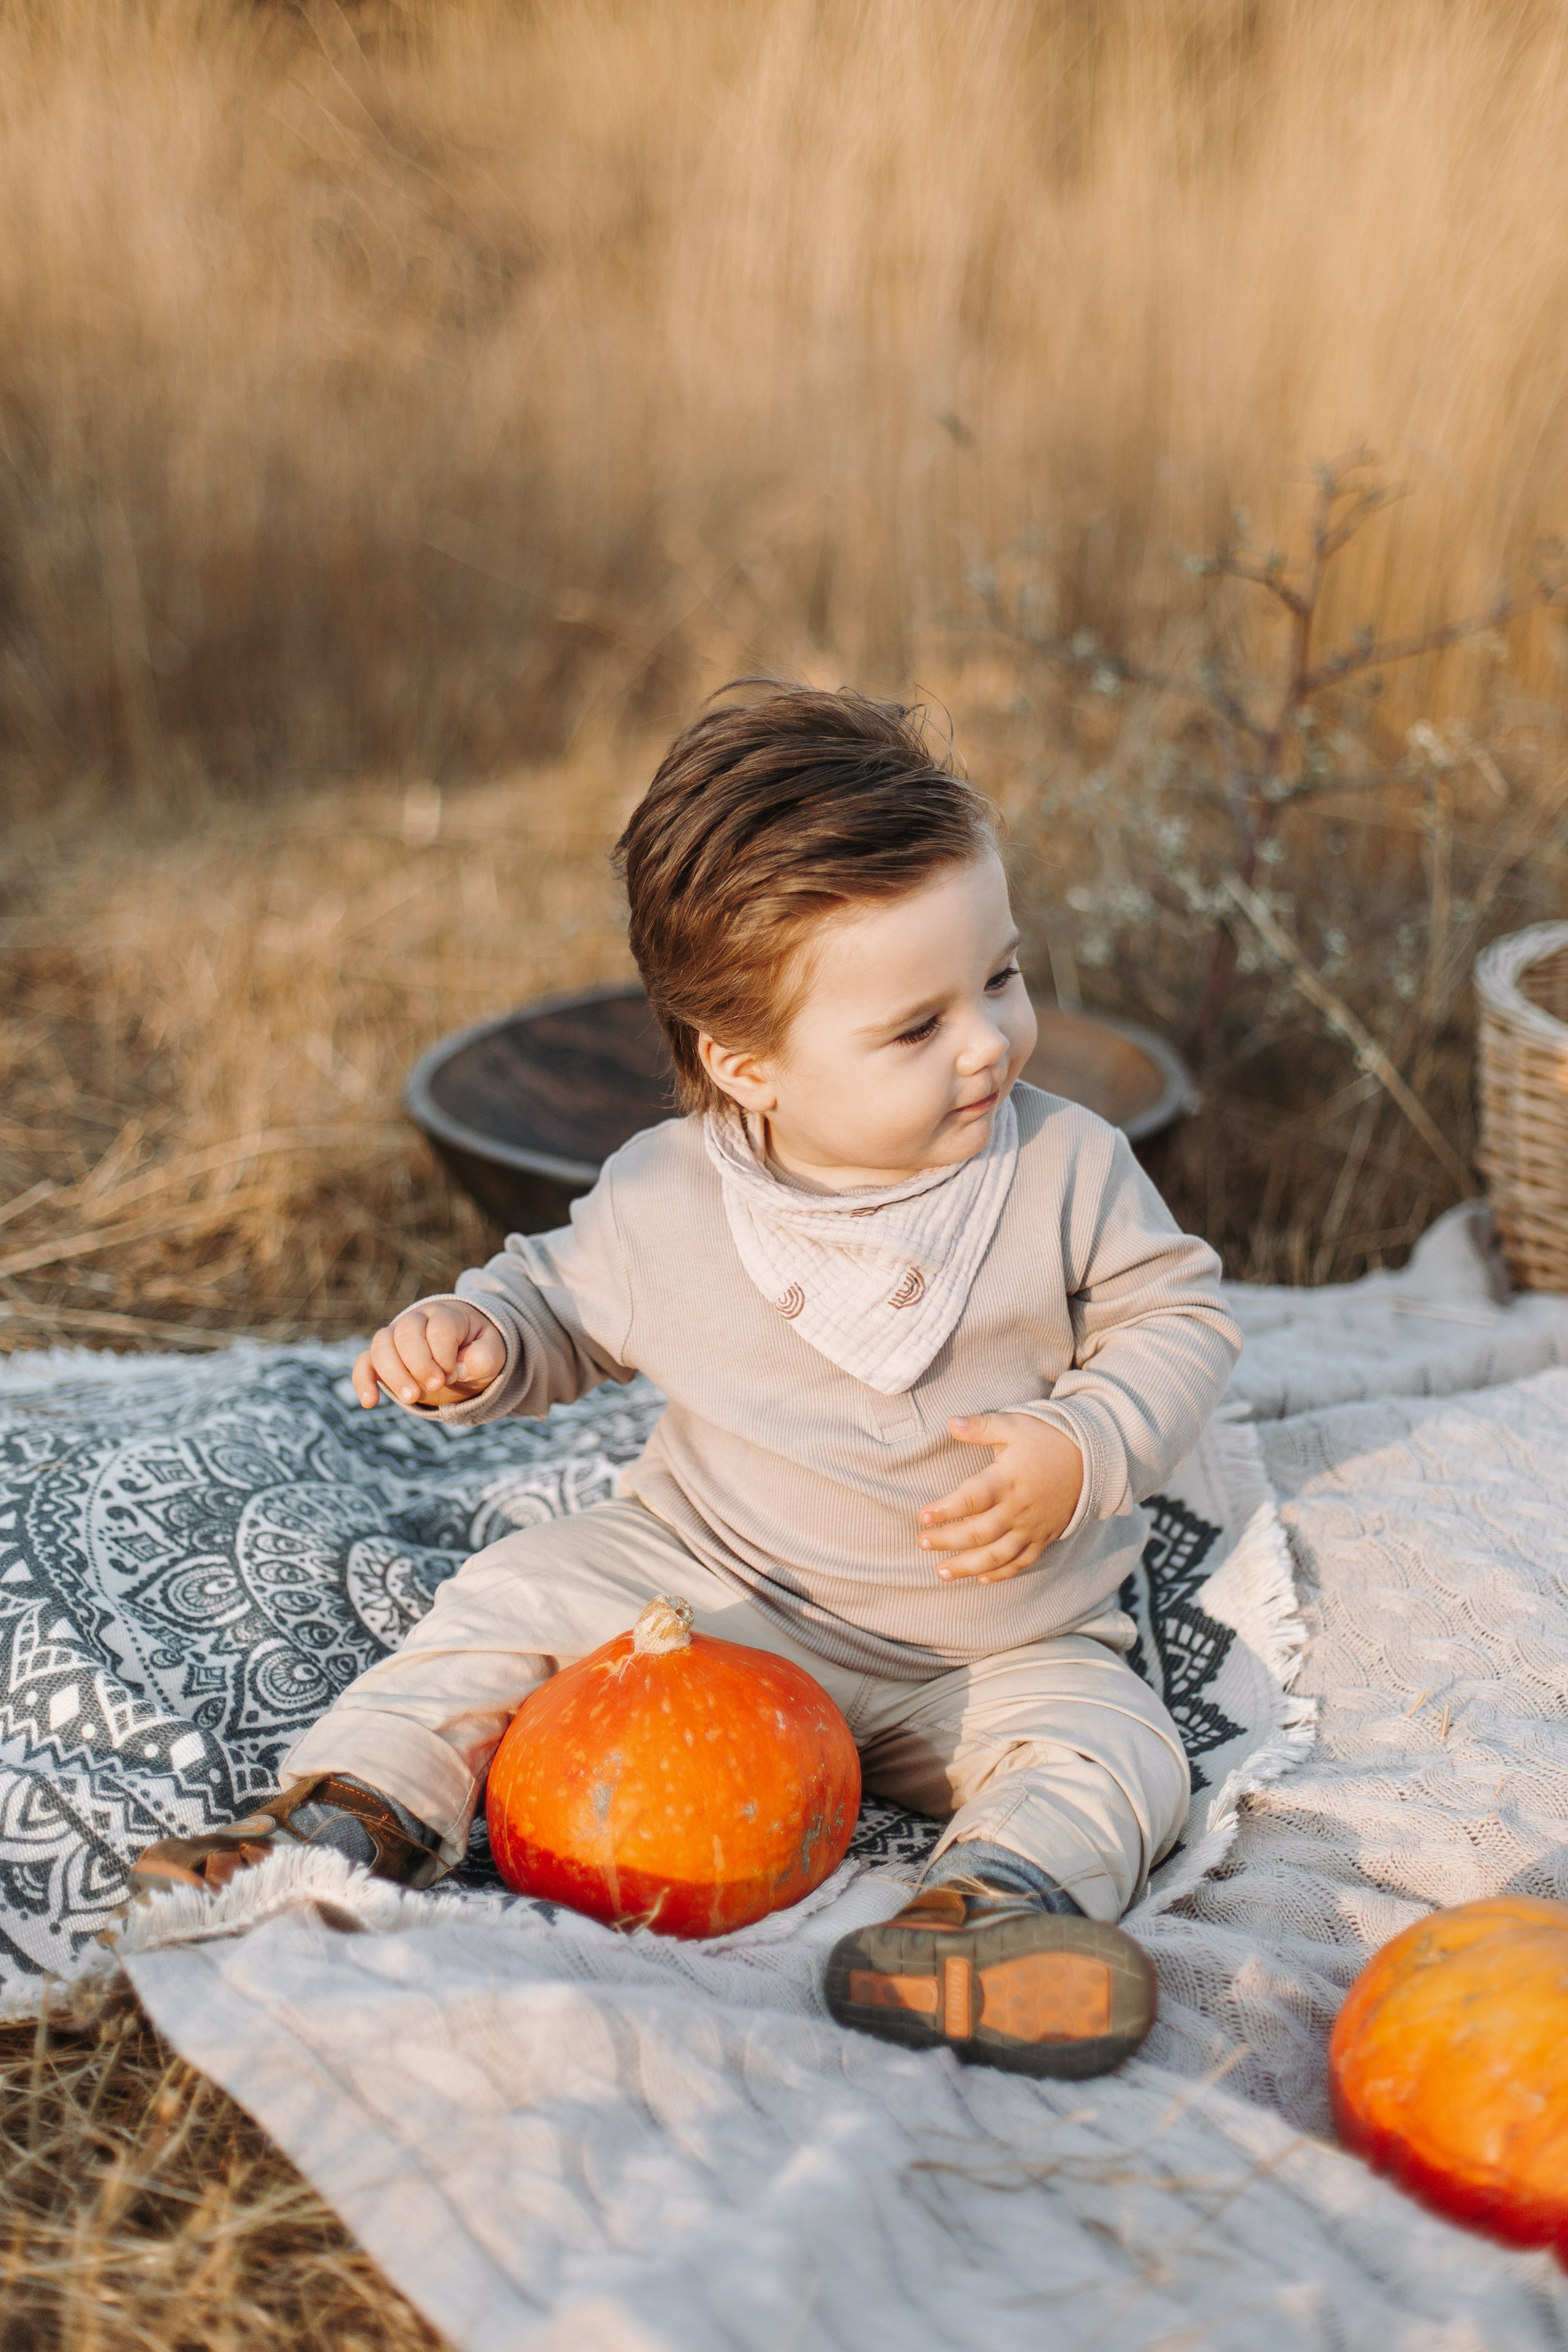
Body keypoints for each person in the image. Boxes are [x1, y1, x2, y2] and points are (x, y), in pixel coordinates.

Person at [130, 683, 1240, 2079]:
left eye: (1002, 978)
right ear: (744, 1064)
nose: (985, 1045)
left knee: (1112, 1750)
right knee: (511, 1601)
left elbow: (1177, 1315)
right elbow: (552, 1302)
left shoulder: (1063, 1163)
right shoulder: (665, 1198)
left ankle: (985, 1918)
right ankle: (347, 1816)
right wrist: (475, 1341)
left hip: (990, 1645)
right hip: (709, 1598)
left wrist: (1085, 1442)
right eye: (915, 1028)